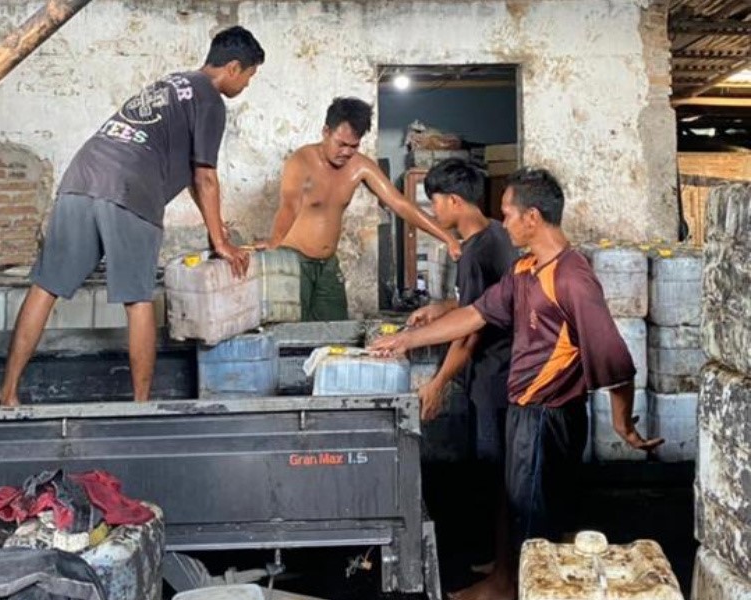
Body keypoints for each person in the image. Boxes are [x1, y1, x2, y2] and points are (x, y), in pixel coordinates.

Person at [370, 167, 664, 600]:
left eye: (507, 213)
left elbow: (615, 360)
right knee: (518, 511)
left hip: (548, 416)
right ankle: (506, 584)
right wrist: (406, 340)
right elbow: (474, 314)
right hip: (524, 413)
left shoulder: (571, 278)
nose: (502, 222)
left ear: (532, 217)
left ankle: (523, 591)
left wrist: (622, 422)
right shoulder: (525, 270)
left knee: (535, 524)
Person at [0, 26, 266, 407]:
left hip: (81, 178)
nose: (247, 85)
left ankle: (8, 392)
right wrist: (222, 243)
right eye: (249, 76)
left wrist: (215, 227)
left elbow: (193, 174)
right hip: (130, 189)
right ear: (234, 68)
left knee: (46, 286)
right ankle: (141, 406)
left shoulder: (173, 84)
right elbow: (205, 175)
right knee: (138, 300)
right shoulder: (210, 99)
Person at [409, 158, 518, 586]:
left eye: (435, 201)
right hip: (501, 371)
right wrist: (441, 308)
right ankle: (503, 560)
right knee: (500, 474)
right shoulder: (494, 235)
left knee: (499, 476)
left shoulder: (476, 250)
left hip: (494, 375)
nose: (433, 210)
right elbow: (478, 302)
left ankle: (505, 574)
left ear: (454, 201)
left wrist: (437, 383)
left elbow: (471, 333)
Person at [259, 97, 461, 321]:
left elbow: (400, 204)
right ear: (326, 132)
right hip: (295, 261)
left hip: (328, 264)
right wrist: (274, 243)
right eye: (341, 144)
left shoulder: (360, 166)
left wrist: (448, 238)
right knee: (291, 331)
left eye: (353, 146)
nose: (346, 152)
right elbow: (289, 205)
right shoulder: (301, 161)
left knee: (336, 331)